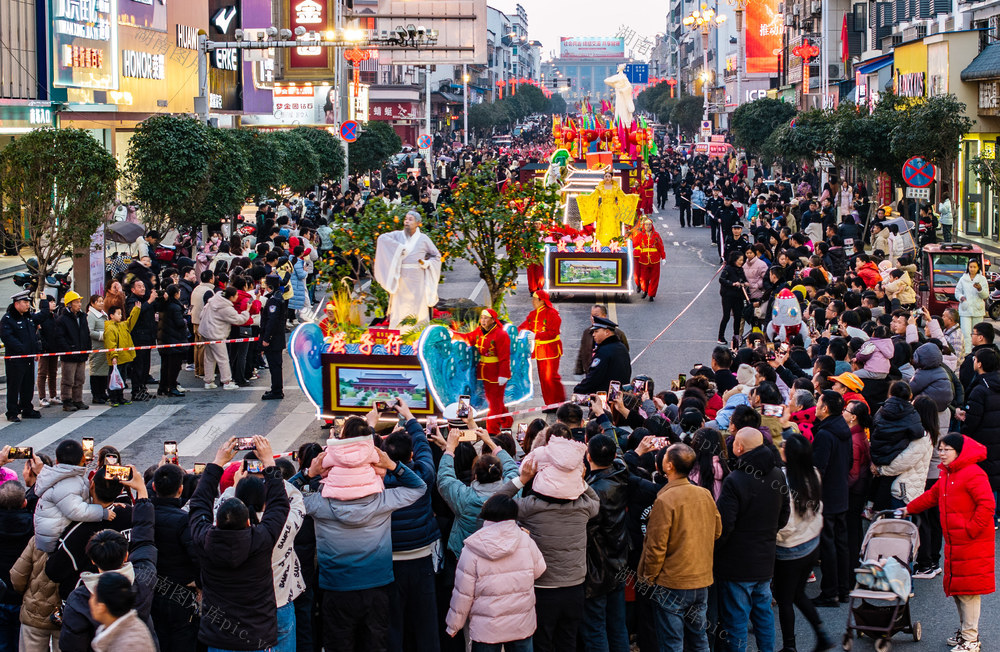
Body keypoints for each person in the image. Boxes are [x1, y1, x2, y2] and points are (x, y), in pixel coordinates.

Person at [292, 426, 426, 652]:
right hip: (377, 586)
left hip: (335, 588)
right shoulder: (383, 501)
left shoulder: (319, 505)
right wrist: (392, 465)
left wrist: (308, 473)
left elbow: (281, 496)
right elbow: (419, 486)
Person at [188, 436, 290, 652]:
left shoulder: (204, 539)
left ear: (216, 521)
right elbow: (280, 504)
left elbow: (198, 505)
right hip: (257, 636)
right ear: (248, 521)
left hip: (218, 637)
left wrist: (217, 463)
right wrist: (269, 462)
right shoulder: (261, 539)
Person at [496, 447, 600, 652]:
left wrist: (522, 479)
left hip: (541, 589)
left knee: (542, 643)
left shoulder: (529, 506)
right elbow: (596, 500)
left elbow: (494, 504)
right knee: (567, 642)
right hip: (575, 588)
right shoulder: (583, 507)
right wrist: (580, 479)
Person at [907, 434, 996, 652]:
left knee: (968, 591)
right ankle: (966, 632)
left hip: (971, 542)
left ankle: (971, 638)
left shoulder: (973, 473)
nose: (942, 453)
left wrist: (970, 530)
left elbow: (987, 505)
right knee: (959, 588)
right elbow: (931, 496)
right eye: (941, 449)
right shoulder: (948, 474)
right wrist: (906, 509)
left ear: (959, 452)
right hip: (956, 541)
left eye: (947, 449)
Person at [58, 465, 157, 652]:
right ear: (127, 554)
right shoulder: (144, 579)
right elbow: (145, 540)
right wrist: (141, 490)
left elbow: (71, 645)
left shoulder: (80, 597)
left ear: (93, 560)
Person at [637, 443, 722, 652]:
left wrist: (648, 578)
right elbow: (717, 531)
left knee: (672, 642)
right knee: (699, 639)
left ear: (669, 466)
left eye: (665, 456)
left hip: (672, 582)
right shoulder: (704, 494)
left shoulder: (665, 499)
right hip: (701, 579)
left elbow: (656, 547)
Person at [714, 427, 789, 652]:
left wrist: (716, 549)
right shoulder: (777, 474)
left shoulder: (735, 479)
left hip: (737, 562)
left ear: (739, 447)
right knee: (763, 615)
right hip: (765, 558)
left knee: (736, 619)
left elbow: (725, 526)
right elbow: (784, 516)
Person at [445, 494, 546, 652]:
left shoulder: (472, 547)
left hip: (486, 629)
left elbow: (463, 594)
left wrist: (454, 625)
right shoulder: (525, 540)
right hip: (521, 624)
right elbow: (540, 570)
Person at [774, 433, 834, 652]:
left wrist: (773, 538)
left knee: (784, 598)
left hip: (790, 549)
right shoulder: (814, 473)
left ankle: (790, 646)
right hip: (811, 542)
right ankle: (822, 634)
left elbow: (785, 524)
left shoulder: (782, 480)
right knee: (797, 593)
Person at [581, 435, 629, 652]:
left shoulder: (593, 491)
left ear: (588, 455)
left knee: (595, 628)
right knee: (617, 625)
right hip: (618, 561)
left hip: (597, 568)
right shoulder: (620, 475)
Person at [811, 390, 853, 608]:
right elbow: (850, 461)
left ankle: (829, 593)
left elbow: (818, 469)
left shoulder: (825, 434)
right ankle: (843, 589)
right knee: (840, 544)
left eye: (819, 402)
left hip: (827, 496)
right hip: (841, 494)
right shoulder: (843, 429)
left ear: (825, 408)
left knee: (828, 545)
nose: (817, 406)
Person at [32, 440, 110, 554]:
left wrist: (81, 465)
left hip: (53, 532)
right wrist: (102, 512)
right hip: (56, 540)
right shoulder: (68, 483)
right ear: (82, 458)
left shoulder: (61, 475)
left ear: (57, 460)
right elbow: (76, 511)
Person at [374, 211, 442, 330]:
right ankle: (398, 331)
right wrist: (398, 248)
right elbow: (382, 238)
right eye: (406, 219)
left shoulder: (423, 238)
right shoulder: (397, 235)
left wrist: (427, 263)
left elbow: (436, 256)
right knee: (400, 305)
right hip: (401, 277)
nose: (407, 221)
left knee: (418, 306)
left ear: (418, 223)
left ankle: (417, 331)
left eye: (410, 219)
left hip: (417, 277)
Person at [451, 309, 512, 433]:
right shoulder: (480, 331)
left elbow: (505, 356)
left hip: (496, 373)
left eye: (486, 318)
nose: (483, 320)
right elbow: (469, 338)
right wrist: (454, 334)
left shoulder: (501, 335)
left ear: (493, 320)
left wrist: (503, 374)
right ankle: (507, 420)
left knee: (494, 402)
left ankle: (492, 429)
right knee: (494, 399)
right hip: (484, 372)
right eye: (482, 318)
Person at [0, 290, 47, 422]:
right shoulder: (8, 319)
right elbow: (7, 337)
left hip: (28, 358)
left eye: (28, 302)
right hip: (16, 359)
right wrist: (22, 349)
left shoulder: (28, 317)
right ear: (16, 304)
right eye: (25, 302)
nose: (27, 305)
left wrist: (43, 302)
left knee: (28, 384)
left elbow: (43, 316)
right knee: (14, 386)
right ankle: (12, 411)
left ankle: (27, 408)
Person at [961, 347, 1000, 495]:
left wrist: (963, 429)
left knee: (987, 485)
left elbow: (972, 422)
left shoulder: (980, 389)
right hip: (996, 441)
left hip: (983, 444)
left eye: (975, 359)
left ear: (980, 364)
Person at [517, 290, 565, 408]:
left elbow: (553, 333)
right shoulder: (533, 314)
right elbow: (524, 326)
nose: (532, 302)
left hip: (550, 350)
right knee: (544, 379)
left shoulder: (552, 314)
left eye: (535, 299)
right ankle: (550, 404)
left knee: (551, 378)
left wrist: (536, 336)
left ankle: (559, 402)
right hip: (540, 351)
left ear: (542, 301)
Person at [87, 573, 157, 652]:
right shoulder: (131, 627)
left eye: (93, 596)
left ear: (101, 607)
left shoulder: (129, 646)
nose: (90, 601)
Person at [199, 287, 250, 390]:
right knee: (223, 358)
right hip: (216, 334)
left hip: (205, 331)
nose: (237, 297)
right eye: (236, 295)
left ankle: (208, 381)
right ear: (231, 297)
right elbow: (239, 320)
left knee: (209, 357)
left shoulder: (214, 299)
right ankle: (226, 381)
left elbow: (201, 314)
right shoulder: (226, 308)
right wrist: (246, 311)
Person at [576, 170, 639, 246]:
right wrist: (581, 198)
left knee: (612, 225)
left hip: (613, 209)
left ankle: (614, 241)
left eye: (609, 176)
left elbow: (623, 197)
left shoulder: (616, 187)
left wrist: (633, 197)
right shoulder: (600, 188)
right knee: (603, 225)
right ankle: (602, 242)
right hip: (603, 209)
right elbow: (592, 197)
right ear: (604, 178)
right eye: (606, 176)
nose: (607, 178)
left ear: (612, 178)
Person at [574, 316, 631, 395]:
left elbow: (594, 377)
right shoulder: (621, 347)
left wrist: (578, 389)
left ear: (607, 332)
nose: (593, 335)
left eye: (596, 331)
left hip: (604, 397)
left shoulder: (603, 352)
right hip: (620, 395)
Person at [54, 290, 90, 412]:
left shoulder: (83, 317)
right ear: (69, 304)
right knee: (68, 379)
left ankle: (78, 400)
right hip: (69, 355)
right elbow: (60, 338)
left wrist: (87, 349)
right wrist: (68, 350)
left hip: (81, 353)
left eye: (80, 302)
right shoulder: (62, 319)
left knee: (80, 378)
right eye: (76, 302)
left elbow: (86, 334)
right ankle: (67, 401)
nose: (79, 304)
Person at [124, 281, 157, 400]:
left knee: (145, 366)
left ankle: (143, 389)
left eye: (143, 286)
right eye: (139, 286)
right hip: (139, 338)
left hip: (148, 337)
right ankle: (136, 391)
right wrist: (149, 301)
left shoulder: (145, 298)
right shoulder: (132, 300)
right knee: (138, 366)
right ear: (133, 290)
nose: (142, 288)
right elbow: (137, 313)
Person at [575, 305, 629, 375]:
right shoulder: (587, 332)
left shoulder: (618, 334)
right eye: (591, 315)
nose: (592, 318)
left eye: (596, 315)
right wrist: (579, 369)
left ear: (604, 316)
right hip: (590, 372)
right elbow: (582, 350)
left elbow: (624, 352)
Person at [157, 284, 188, 397]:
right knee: (174, 366)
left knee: (165, 366)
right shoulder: (175, 307)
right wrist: (184, 320)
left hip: (165, 340)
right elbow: (179, 323)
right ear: (176, 294)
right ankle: (172, 387)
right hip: (174, 340)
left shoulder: (164, 305)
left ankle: (163, 387)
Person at [261, 275, 287, 401]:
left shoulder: (274, 300)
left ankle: (277, 391)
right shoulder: (277, 297)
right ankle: (275, 388)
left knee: (275, 365)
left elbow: (272, 321)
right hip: (277, 338)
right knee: (275, 365)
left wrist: (267, 338)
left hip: (274, 339)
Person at [955, 259, 989, 354]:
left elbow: (985, 295)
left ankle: (978, 353)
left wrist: (980, 289)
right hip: (965, 309)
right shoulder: (963, 279)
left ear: (978, 268)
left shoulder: (982, 279)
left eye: (974, 267)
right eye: (970, 267)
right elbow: (957, 292)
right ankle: (967, 354)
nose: (972, 269)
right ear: (968, 267)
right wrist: (961, 298)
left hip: (977, 310)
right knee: (966, 333)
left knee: (978, 334)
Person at [631, 218, 666, 301]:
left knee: (654, 278)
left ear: (652, 225)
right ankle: (645, 290)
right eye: (646, 224)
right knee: (644, 278)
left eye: (649, 224)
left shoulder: (656, 235)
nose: (648, 226)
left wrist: (663, 257)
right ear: (644, 225)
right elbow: (633, 244)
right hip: (643, 259)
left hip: (655, 259)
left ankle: (651, 294)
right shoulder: (640, 235)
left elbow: (660, 246)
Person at [190, 270, 216, 378]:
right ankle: (202, 370)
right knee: (203, 347)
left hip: (195, 320)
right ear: (211, 279)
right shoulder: (208, 291)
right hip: (203, 322)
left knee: (197, 346)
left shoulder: (197, 288)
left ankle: (197, 369)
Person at [718, 251, 748, 344]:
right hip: (727, 296)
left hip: (738, 296)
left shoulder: (741, 269)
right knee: (726, 316)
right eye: (740, 260)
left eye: (742, 260)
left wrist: (745, 283)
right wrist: (732, 284)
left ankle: (736, 336)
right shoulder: (728, 268)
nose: (741, 262)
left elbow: (744, 279)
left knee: (738, 316)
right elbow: (721, 279)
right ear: (734, 260)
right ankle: (720, 336)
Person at [87, 295, 109, 405]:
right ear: (92, 303)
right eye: (98, 301)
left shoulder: (103, 314)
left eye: (102, 301)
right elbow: (90, 331)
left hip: (105, 348)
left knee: (104, 370)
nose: (101, 303)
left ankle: (102, 392)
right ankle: (96, 395)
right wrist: (103, 335)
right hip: (96, 347)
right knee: (96, 371)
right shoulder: (91, 316)